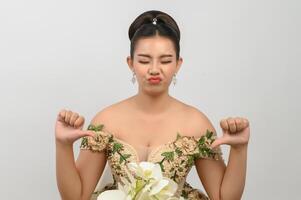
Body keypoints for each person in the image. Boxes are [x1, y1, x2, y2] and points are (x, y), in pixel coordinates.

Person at [55, 10, 250, 200]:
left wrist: (240, 150)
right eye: (144, 60)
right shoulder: (106, 121)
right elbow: (75, 197)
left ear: (178, 64)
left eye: (165, 60)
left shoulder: (196, 123)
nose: (154, 69)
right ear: (130, 63)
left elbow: (223, 198)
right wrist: (63, 145)